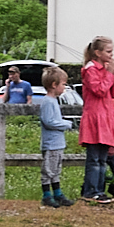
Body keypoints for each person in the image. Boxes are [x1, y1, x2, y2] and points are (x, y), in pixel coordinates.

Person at [78, 36, 114, 204]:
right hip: (94, 117)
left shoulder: (105, 69)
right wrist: (110, 74)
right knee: (94, 159)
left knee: (103, 158)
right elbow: (99, 90)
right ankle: (91, 191)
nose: (111, 55)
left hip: (105, 117)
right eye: (108, 51)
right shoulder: (90, 69)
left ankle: (99, 190)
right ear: (97, 53)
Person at [35, 66, 76, 208]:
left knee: (56, 169)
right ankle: (47, 195)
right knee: (48, 170)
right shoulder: (47, 102)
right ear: (54, 85)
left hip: (57, 143)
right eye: (63, 84)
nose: (64, 87)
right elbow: (49, 121)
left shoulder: (54, 101)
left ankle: (57, 193)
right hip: (51, 143)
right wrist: (66, 124)